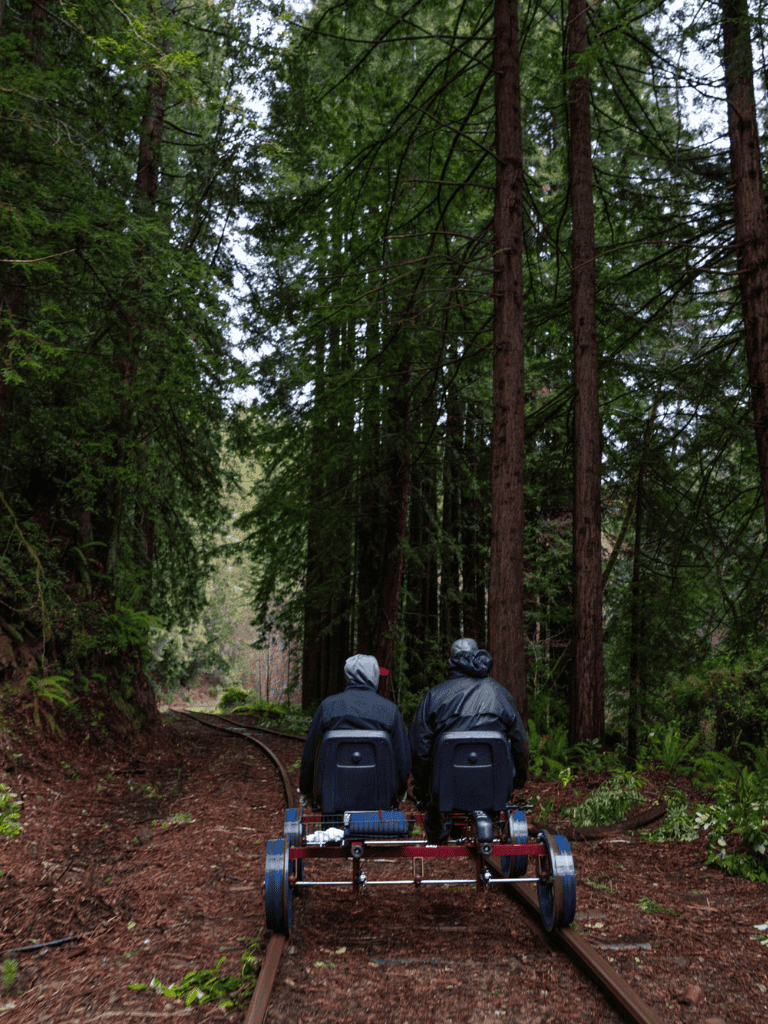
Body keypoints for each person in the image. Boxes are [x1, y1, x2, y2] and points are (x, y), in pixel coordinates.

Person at [409, 638, 529, 840]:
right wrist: (516, 781)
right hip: (493, 787)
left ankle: (438, 834)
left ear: (451, 660)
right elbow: (520, 744)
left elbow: (420, 749)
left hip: (445, 789)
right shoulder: (500, 694)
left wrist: (422, 792)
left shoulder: (435, 696)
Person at [299, 654, 412, 802]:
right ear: (373, 677)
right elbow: (402, 759)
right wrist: (399, 790)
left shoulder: (327, 707)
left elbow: (310, 753)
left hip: (332, 795)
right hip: (379, 795)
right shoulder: (390, 710)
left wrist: (306, 790)